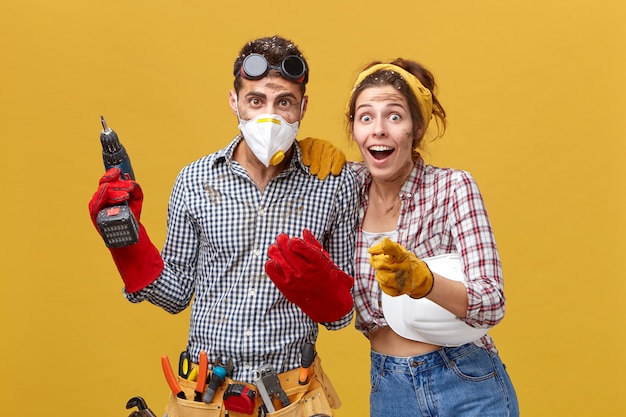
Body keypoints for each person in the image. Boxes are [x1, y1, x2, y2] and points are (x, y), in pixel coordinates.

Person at [88, 35, 359, 417]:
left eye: (284, 102)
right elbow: (177, 294)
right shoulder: (195, 180)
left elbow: (343, 315)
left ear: (303, 107)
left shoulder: (334, 183)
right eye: (256, 101)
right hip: (204, 397)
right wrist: (128, 247)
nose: (270, 116)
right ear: (235, 102)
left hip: (292, 399)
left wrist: (322, 290)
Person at [343, 59, 519, 416]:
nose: (378, 129)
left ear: (417, 128)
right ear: (354, 130)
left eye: (394, 116)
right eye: (365, 117)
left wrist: (423, 282)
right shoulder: (342, 191)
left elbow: (492, 301)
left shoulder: (453, 187)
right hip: (389, 387)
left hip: (465, 378)